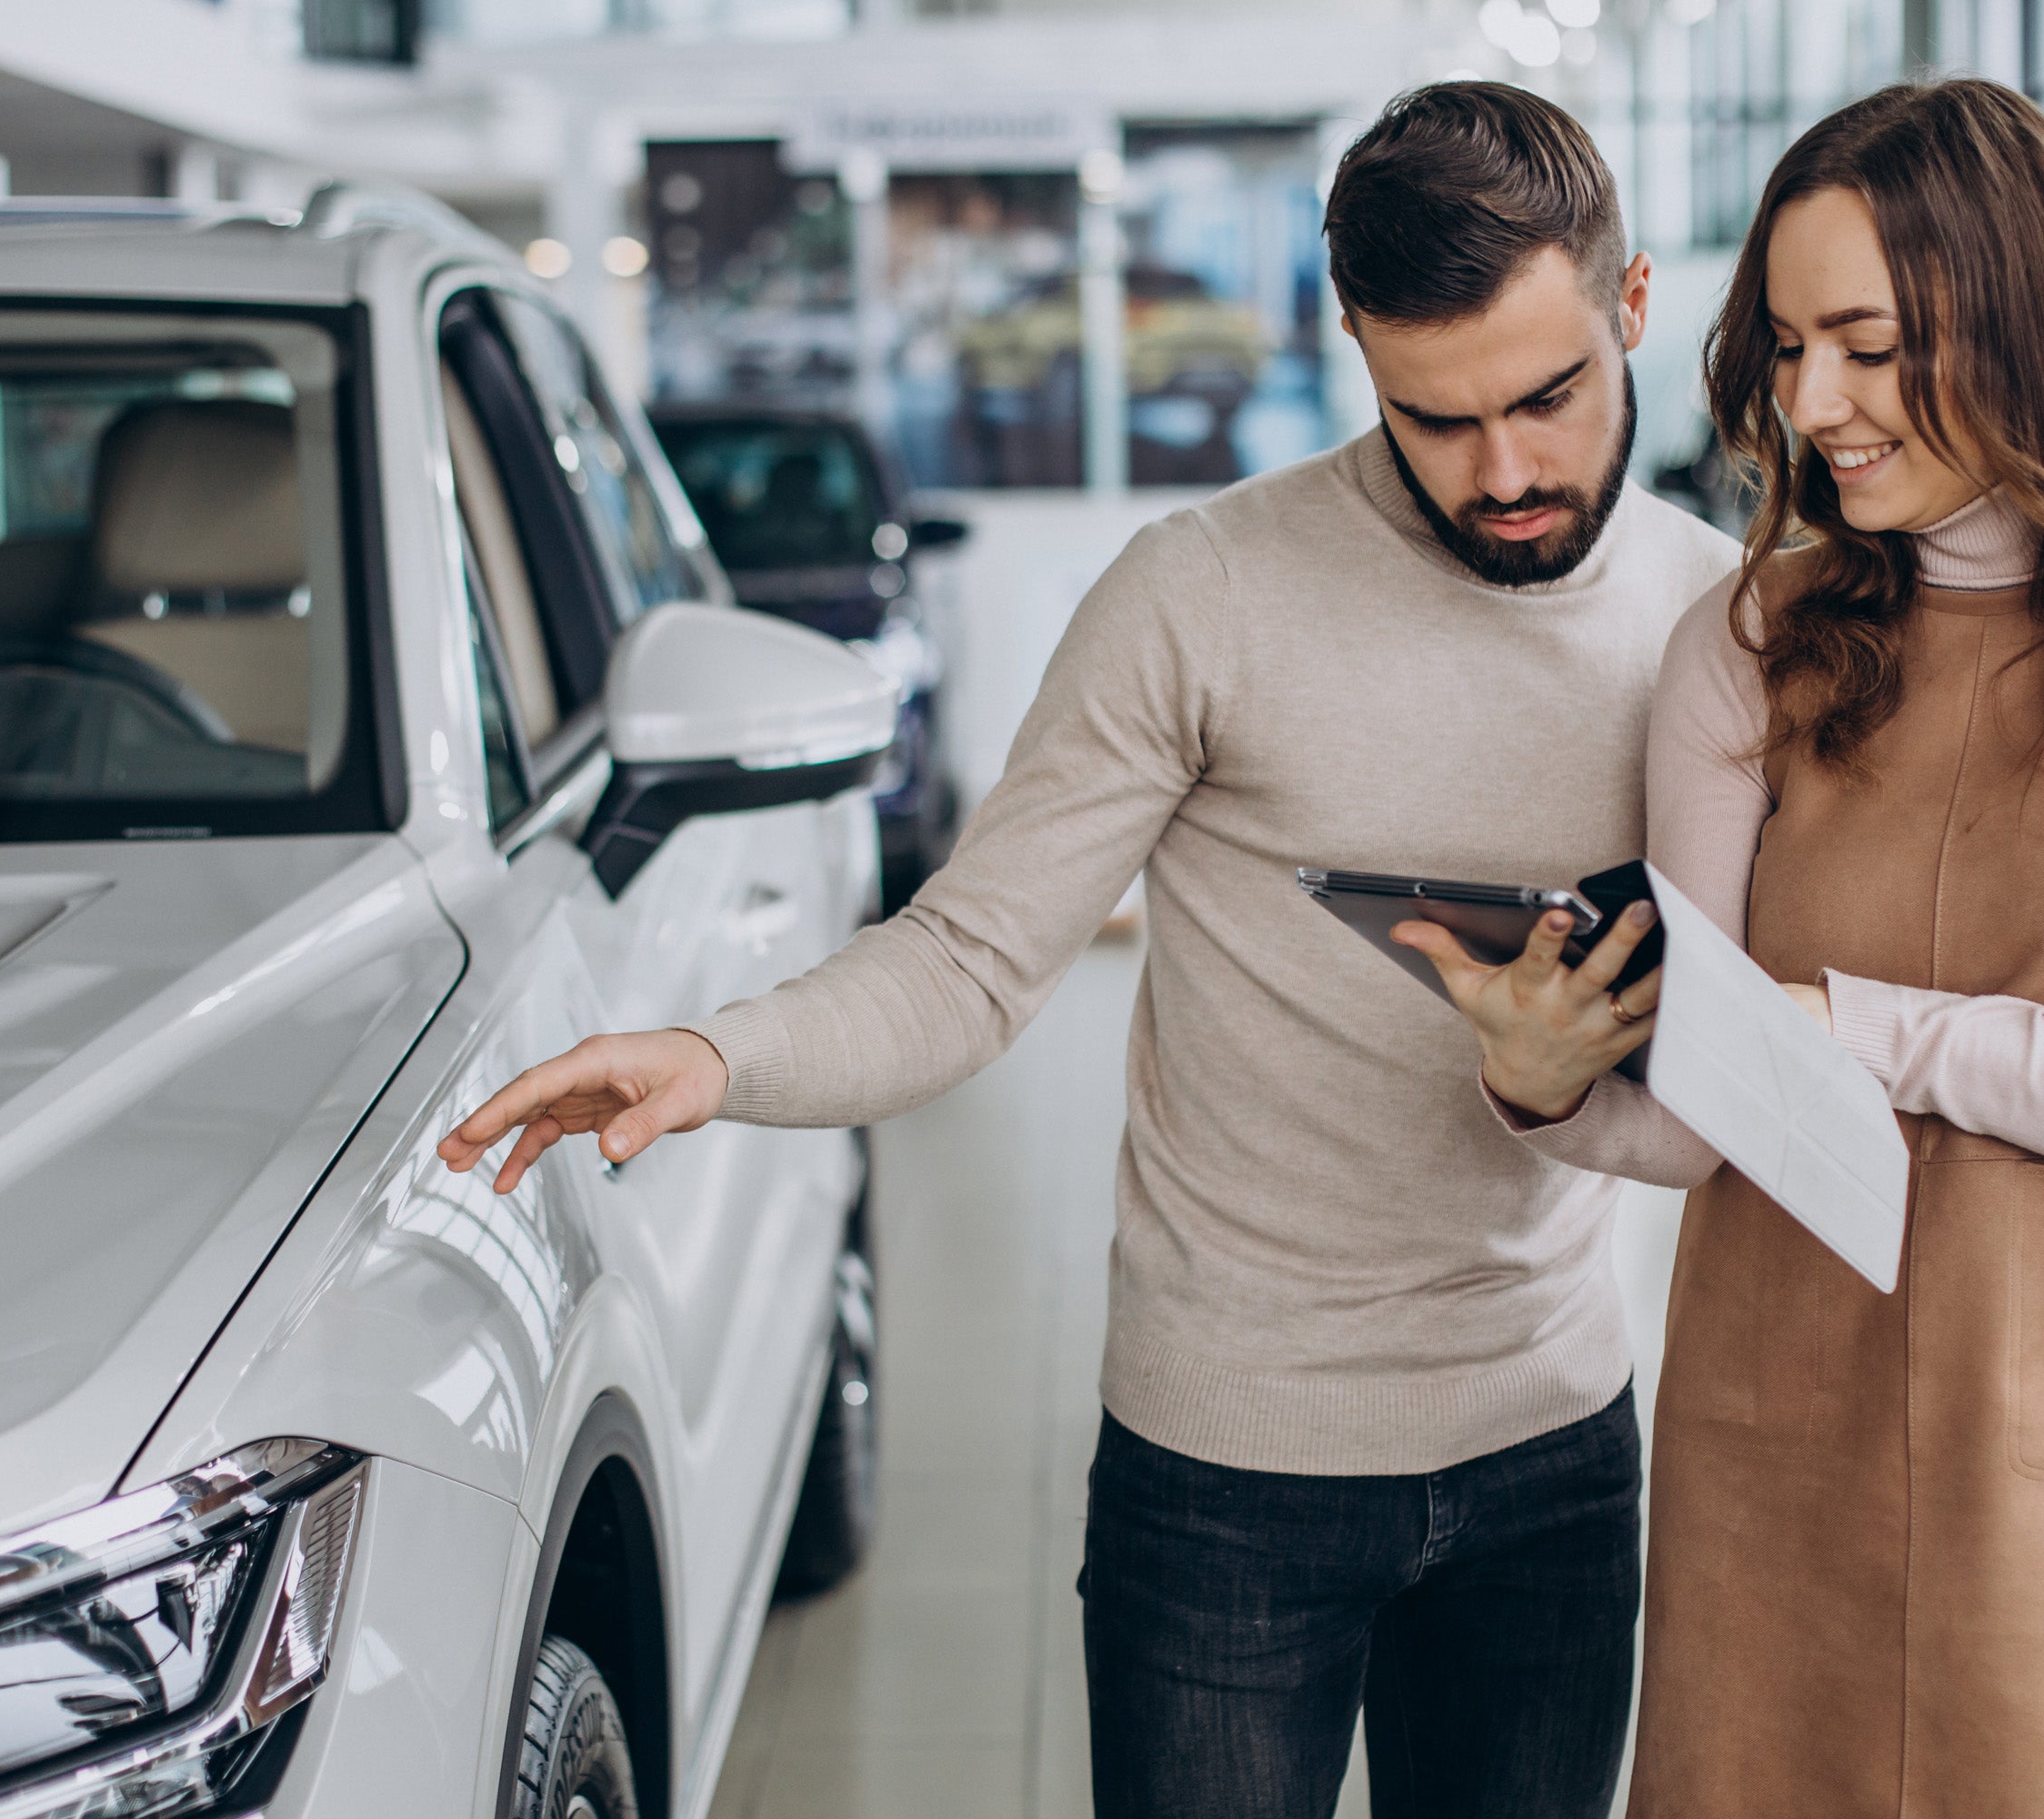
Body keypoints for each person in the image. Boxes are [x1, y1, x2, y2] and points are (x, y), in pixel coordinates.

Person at [441, 83, 1738, 1819]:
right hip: (1229, 1472)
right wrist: (720, 1058)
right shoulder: (1202, 593)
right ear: (1355, 346)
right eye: (1435, 420)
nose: (1504, 471)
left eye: (1549, 398)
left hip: (1554, 1447)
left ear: (1634, 306)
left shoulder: (1719, 624)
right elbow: (974, 959)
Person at [1394, 79, 2044, 1816]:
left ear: (2024, 316)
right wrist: (1550, 1093)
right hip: (1780, 1448)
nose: (1811, 405)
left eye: (1866, 342)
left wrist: (1863, 1026)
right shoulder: (1752, 643)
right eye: (1783, 346)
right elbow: (1702, 1110)